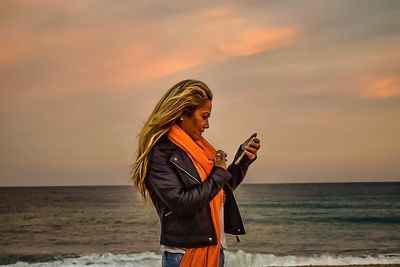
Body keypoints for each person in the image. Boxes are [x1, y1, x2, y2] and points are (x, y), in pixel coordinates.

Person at [130, 79, 261, 267]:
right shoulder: (161, 154)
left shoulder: (199, 150)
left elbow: (218, 190)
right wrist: (217, 172)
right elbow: (183, 203)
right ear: (183, 113)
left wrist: (242, 161)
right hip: (184, 255)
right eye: (204, 116)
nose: (207, 125)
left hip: (215, 252)